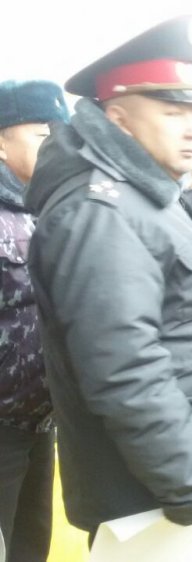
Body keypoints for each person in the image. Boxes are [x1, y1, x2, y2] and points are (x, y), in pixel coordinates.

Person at [23, 16, 192, 536]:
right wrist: (191, 485)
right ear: (118, 118)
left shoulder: (149, 197)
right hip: (160, 498)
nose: (191, 127)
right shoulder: (100, 213)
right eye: (171, 111)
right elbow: (124, 369)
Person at [0, 79, 68, 562]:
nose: (55, 146)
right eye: (43, 134)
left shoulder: (44, 206)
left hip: (40, 420)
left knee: (31, 544)